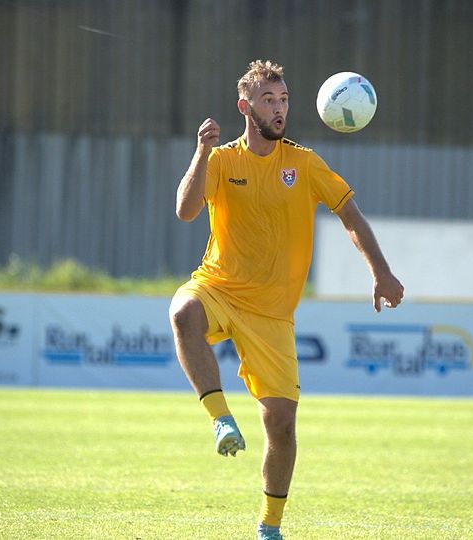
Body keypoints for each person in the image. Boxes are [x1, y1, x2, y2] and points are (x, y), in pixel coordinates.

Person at [168, 60, 404, 540]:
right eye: (268, 100)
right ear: (245, 107)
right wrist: (201, 152)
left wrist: (381, 273)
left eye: (284, 100)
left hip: (272, 315)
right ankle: (220, 420)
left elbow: (351, 216)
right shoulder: (222, 160)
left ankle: (269, 528)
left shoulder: (305, 163)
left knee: (281, 424)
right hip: (219, 287)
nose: (279, 109)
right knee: (182, 311)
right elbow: (186, 211)